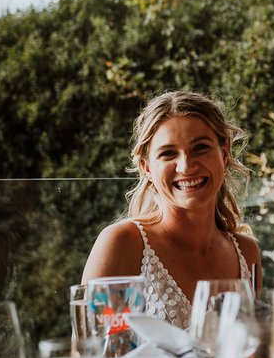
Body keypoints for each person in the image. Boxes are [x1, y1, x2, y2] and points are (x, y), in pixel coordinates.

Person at [83, 91, 260, 329]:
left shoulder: (247, 253)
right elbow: (88, 352)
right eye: (168, 153)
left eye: (200, 148)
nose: (186, 166)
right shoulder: (123, 245)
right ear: (147, 168)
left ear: (225, 152)